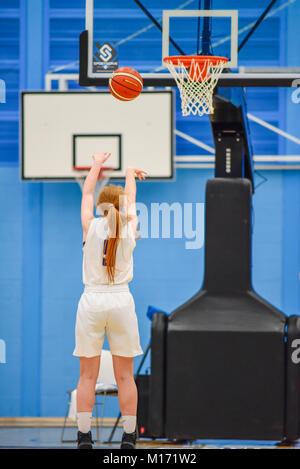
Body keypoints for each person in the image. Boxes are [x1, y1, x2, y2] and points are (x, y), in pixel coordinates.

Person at [73, 152, 147, 449]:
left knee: (87, 376)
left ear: (102, 206)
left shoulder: (89, 226)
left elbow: (88, 190)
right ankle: (129, 436)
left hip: (91, 300)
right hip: (120, 301)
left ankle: (83, 437)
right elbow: (130, 201)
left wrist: (96, 164)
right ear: (120, 207)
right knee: (125, 376)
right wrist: (130, 173)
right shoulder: (129, 227)